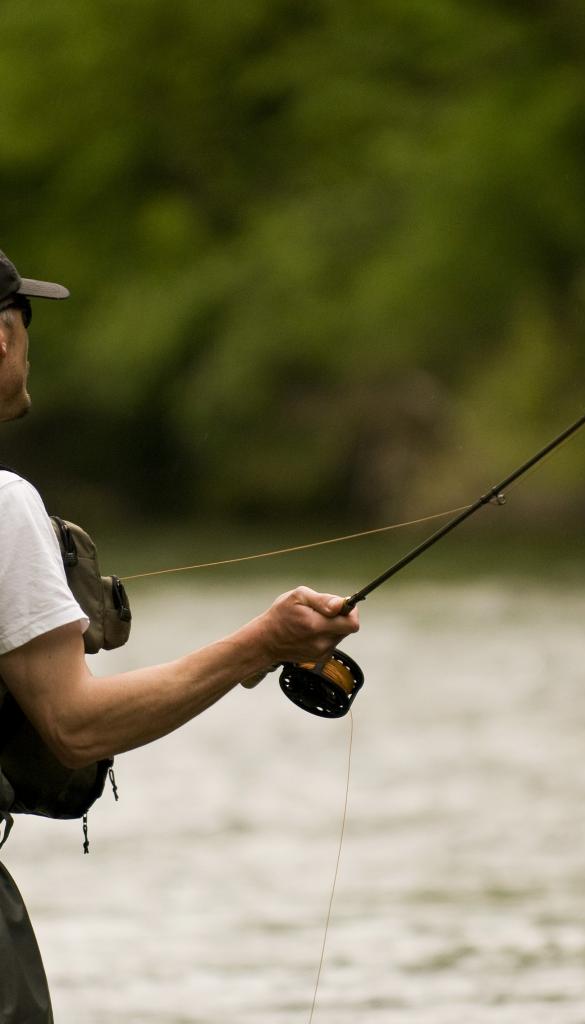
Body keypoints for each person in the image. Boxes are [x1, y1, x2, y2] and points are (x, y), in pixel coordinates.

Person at [0, 248, 359, 1022]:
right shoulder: (2, 505)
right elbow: (74, 725)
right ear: (2, 339)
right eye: (26, 323)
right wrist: (257, 644)